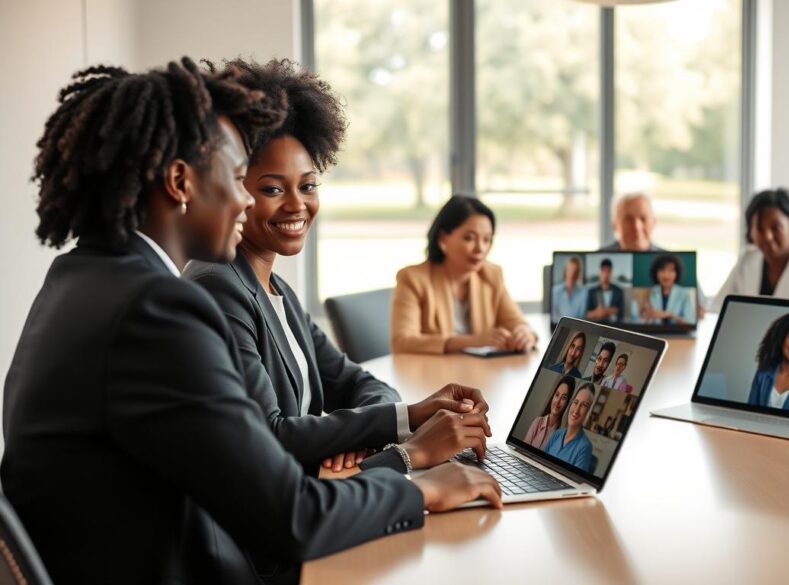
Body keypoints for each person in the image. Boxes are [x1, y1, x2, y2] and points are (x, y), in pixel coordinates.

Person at [0, 59, 500, 585]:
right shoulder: (157, 308)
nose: (243, 199)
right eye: (241, 178)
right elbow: (291, 517)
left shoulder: (80, 275)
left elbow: (262, 480)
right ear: (180, 182)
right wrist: (421, 484)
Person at [184, 59, 489, 488]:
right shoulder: (217, 286)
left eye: (308, 186)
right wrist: (405, 451)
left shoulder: (276, 288)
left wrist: (405, 417)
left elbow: (354, 381)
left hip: (323, 493)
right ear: (234, 186)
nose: (297, 205)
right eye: (273, 189)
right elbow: (271, 436)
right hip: (285, 522)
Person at [391, 195, 537, 354]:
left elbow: (516, 322)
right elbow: (402, 341)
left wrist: (524, 333)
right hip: (433, 374)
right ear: (442, 239)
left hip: (481, 374)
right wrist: (473, 341)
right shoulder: (413, 278)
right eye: (469, 238)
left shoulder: (491, 274)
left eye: (487, 240)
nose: (480, 249)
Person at [600, 192, 707, 318]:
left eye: (643, 218)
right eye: (628, 219)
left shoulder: (671, 259)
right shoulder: (600, 257)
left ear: (654, 222)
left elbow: (701, 306)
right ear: (614, 225)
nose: (637, 226)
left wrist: (698, 311)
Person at [544, 383, 596, 470]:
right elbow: (540, 462)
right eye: (575, 402)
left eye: (584, 405)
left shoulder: (585, 447)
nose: (576, 410)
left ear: (588, 412)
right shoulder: (556, 434)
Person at [634, 254, 697, 325]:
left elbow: (690, 322)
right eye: (662, 270)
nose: (666, 275)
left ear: (676, 273)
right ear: (656, 273)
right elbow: (640, 319)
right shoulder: (649, 292)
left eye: (671, 270)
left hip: (678, 334)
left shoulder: (684, 293)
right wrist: (645, 315)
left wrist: (670, 315)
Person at [524, 376, 574, 449]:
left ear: (567, 403)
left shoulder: (561, 436)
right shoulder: (538, 422)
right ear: (553, 396)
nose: (558, 401)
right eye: (557, 395)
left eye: (564, 398)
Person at [586, 258, 625, 324]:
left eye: (608, 271)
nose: (606, 274)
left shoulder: (619, 291)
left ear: (611, 272)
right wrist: (596, 313)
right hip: (597, 327)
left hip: (615, 327)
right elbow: (587, 314)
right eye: (604, 271)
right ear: (600, 272)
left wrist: (605, 311)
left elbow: (621, 313)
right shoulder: (592, 291)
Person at [551, 255, 587, 321]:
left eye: (575, 271)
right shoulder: (555, 291)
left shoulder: (583, 292)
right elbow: (553, 317)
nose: (571, 274)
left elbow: (582, 317)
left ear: (578, 273)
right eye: (570, 270)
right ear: (565, 271)